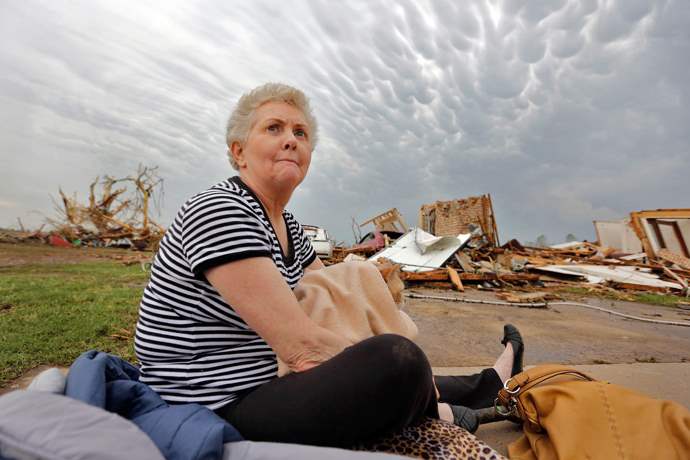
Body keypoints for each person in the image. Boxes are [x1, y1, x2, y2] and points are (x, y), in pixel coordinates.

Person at [134, 83, 525, 447]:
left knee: (397, 362)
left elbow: (336, 293)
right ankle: (439, 410)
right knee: (398, 360)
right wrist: (394, 365)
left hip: (265, 375)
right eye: (273, 128)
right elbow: (302, 348)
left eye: (300, 133)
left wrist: (375, 292)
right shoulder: (221, 210)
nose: (291, 139)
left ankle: (492, 383)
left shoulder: (287, 225)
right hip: (215, 399)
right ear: (239, 152)